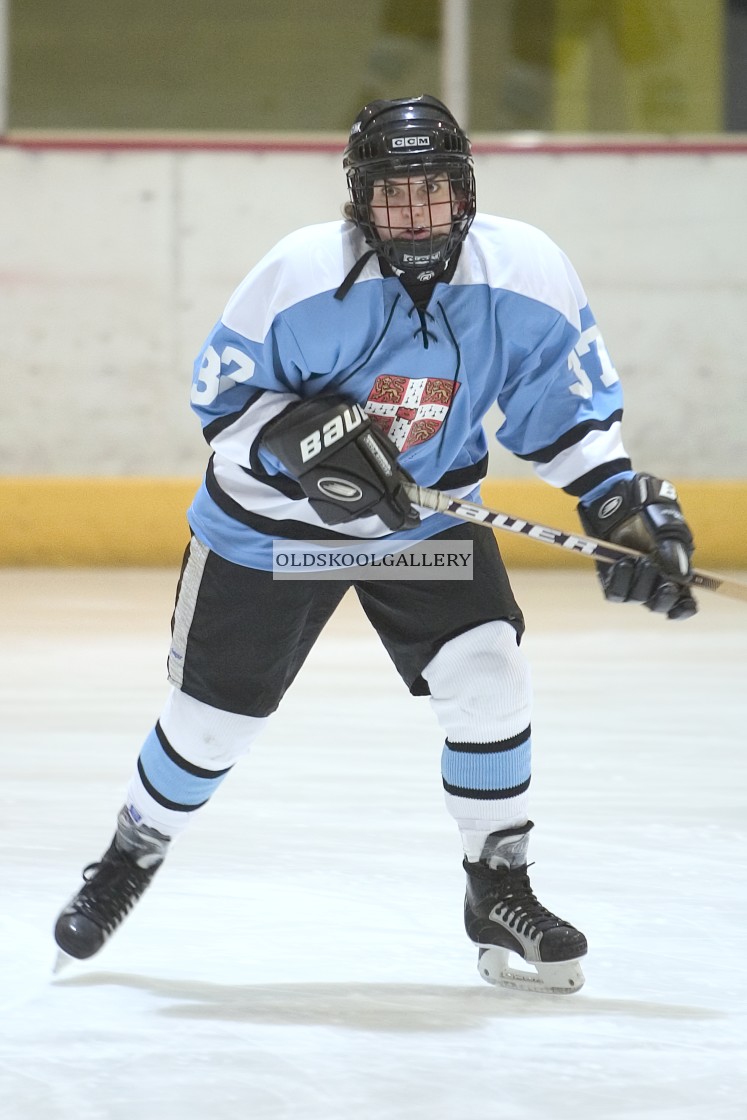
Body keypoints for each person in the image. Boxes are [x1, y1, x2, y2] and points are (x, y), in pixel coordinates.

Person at [54, 95, 697, 994]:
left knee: (488, 674)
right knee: (211, 723)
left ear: (465, 192)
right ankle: (132, 852)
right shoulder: (300, 272)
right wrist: (301, 441)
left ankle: (497, 885)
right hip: (274, 534)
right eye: (393, 197)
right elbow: (221, 405)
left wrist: (618, 504)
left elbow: (566, 415)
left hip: (423, 530)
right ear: (360, 202)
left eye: (432, 192)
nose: (415, 215)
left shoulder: (527, 272)